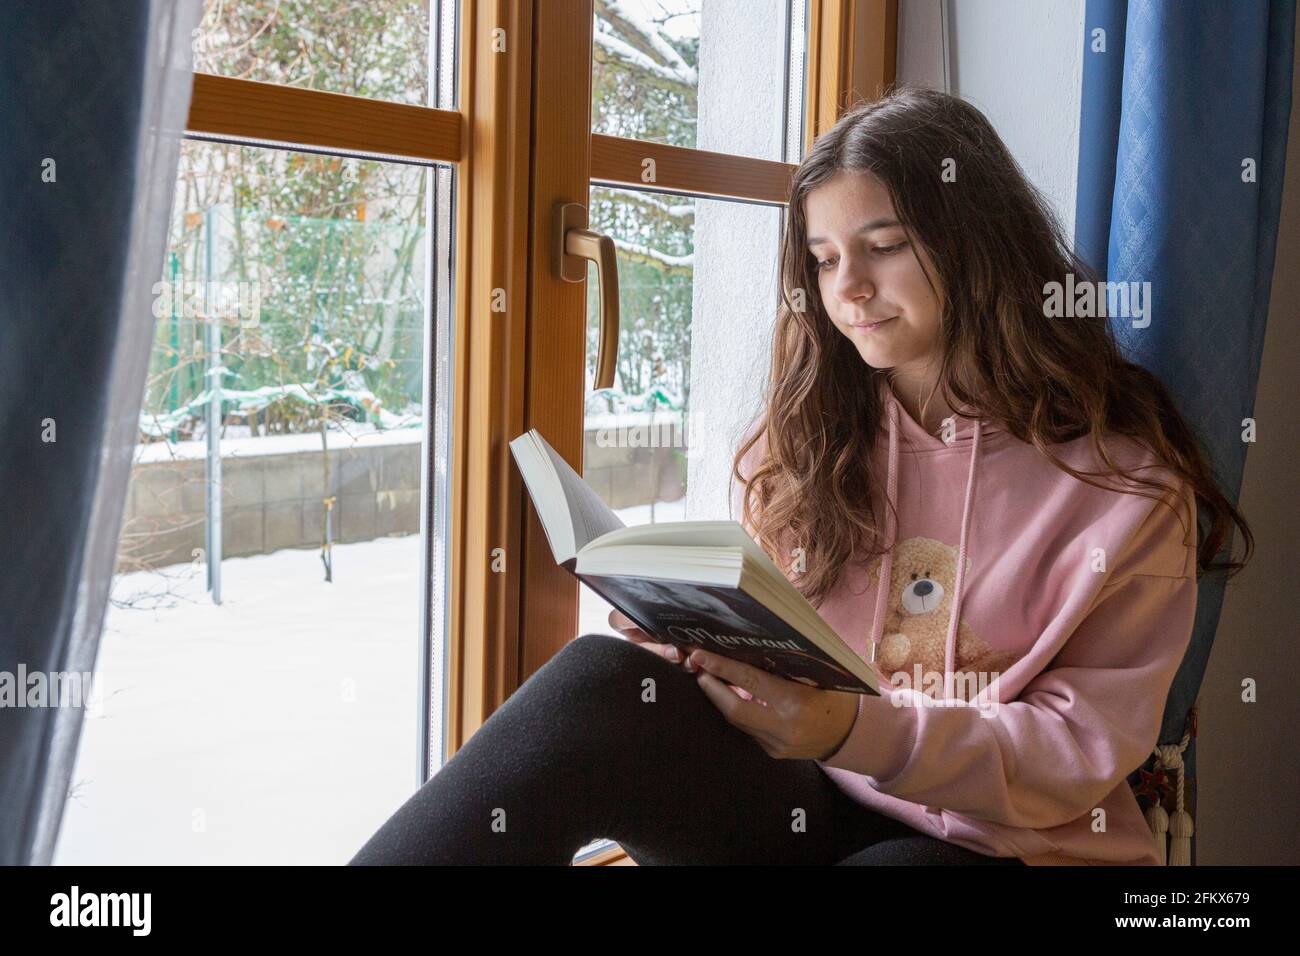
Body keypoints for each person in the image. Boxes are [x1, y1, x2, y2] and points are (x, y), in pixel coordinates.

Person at [349, 87, 1251, 866]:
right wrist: (686, 631)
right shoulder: (813, 444)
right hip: (803, 798)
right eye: (822, 260)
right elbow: (772, 659)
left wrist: (853, 729)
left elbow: (1073, 752)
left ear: (979, 246)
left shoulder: (1125, 492)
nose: (846, 286)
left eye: (884, 245)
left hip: (1004, 843)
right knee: (601, 683)